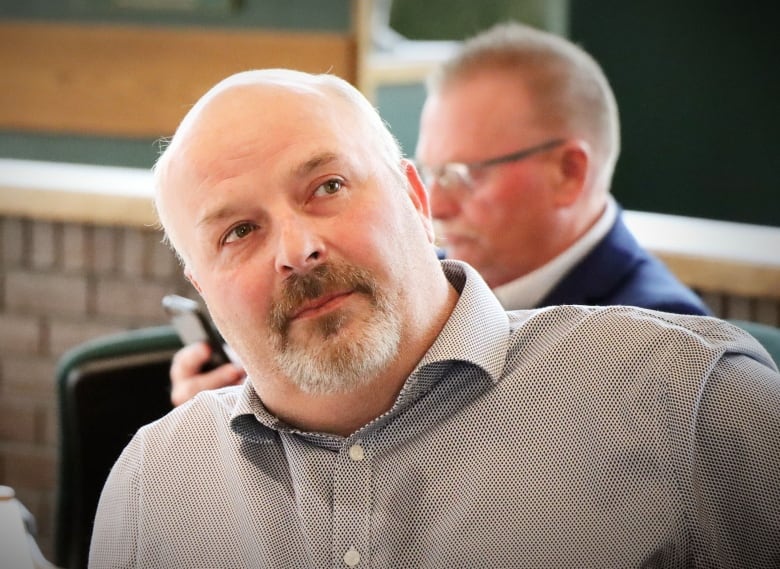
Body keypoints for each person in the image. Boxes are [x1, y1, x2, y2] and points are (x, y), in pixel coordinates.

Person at [89, 63, 780, 567]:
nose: (297, 250)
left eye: (328, 186)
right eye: (238, 231)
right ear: (201, 284)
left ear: (417, 199)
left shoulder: (688, 407)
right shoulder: (153, 484)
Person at [167, 22, 711, 407]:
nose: (436, 203)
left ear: (568, 172)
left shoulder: (665, 370)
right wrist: (258, 391)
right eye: (430, 173)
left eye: (462, 174)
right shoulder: (411, 285)